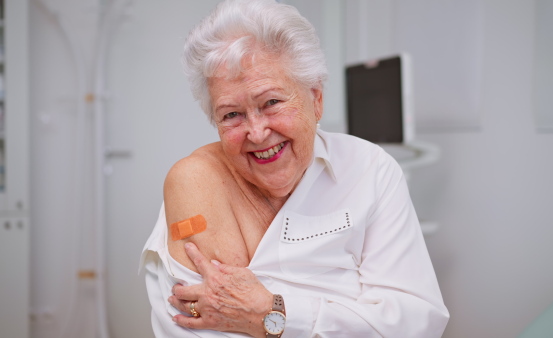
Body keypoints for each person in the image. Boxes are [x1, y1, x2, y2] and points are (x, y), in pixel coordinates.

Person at [140, 0, 449, 337]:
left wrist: (272, 314)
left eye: (271, 102)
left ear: (316, 99)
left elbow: (416, 322)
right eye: (232, 115)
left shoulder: (370, 171)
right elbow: (192, 326)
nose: (257, 133)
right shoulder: (193, 187)